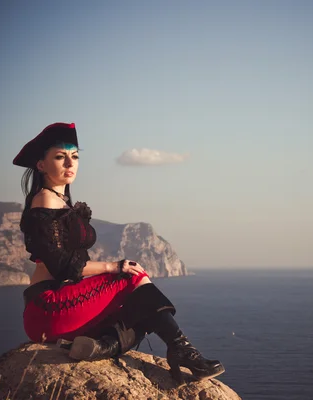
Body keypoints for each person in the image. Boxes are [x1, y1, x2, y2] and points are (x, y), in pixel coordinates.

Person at [13, 122, 224, 383]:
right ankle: (181, 351)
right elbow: (62, 266)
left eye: (75, 156)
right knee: (132, 276)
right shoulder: (45, 201)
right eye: (60, 156)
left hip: (65, 307)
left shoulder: (59, 202)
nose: (70, 163)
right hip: (49, 307)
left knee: (144, 304)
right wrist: (114, 266)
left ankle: (102, 347)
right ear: (41, 165)